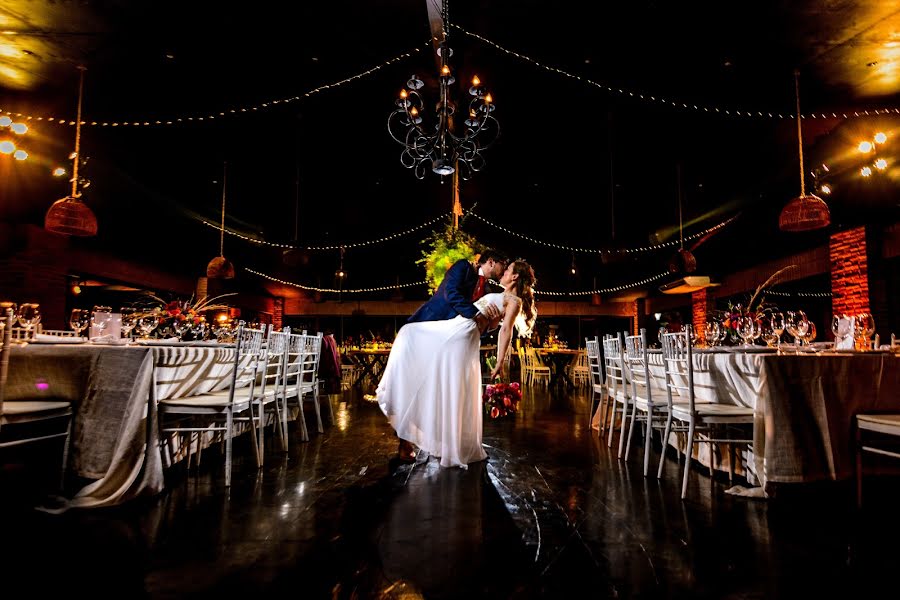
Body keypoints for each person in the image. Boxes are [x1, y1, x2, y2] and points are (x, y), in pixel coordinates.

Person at [375, 259, 537, 467]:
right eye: (504, 268)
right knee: (414, 341)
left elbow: (505, 330)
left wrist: (500, 361)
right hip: (460, 325)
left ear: (514, 277)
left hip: (463, 331)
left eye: (508, 270)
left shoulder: (514, 300)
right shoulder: (483, 282)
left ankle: (448, 443)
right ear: (490, 261)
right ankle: (439, 439)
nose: (504, 272)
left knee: (443, 372)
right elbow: (488, 318)